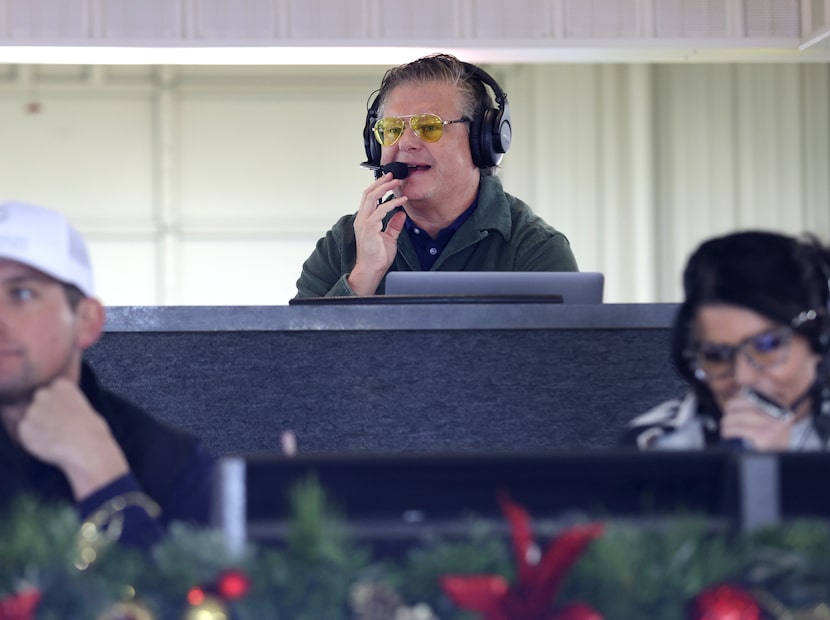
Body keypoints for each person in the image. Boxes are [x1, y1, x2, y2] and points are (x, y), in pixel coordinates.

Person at [0, 201, 214, 551]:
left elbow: (190, 602)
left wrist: (99, 472)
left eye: (21, 294)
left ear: (86, 321)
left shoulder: (168, 461)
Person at [295, 53, 578, 298]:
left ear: (482, 141)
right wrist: (363, 277)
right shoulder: (341, 245)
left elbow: (563, 360)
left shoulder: (535, 249)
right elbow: (298, 358)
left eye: (429, 126)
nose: (404, 143)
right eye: (391, 129)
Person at [624, 230, 830, 451]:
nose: (743, 378)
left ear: (819, 341)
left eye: (766, 346)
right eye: (716, 355)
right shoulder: (653, 444)